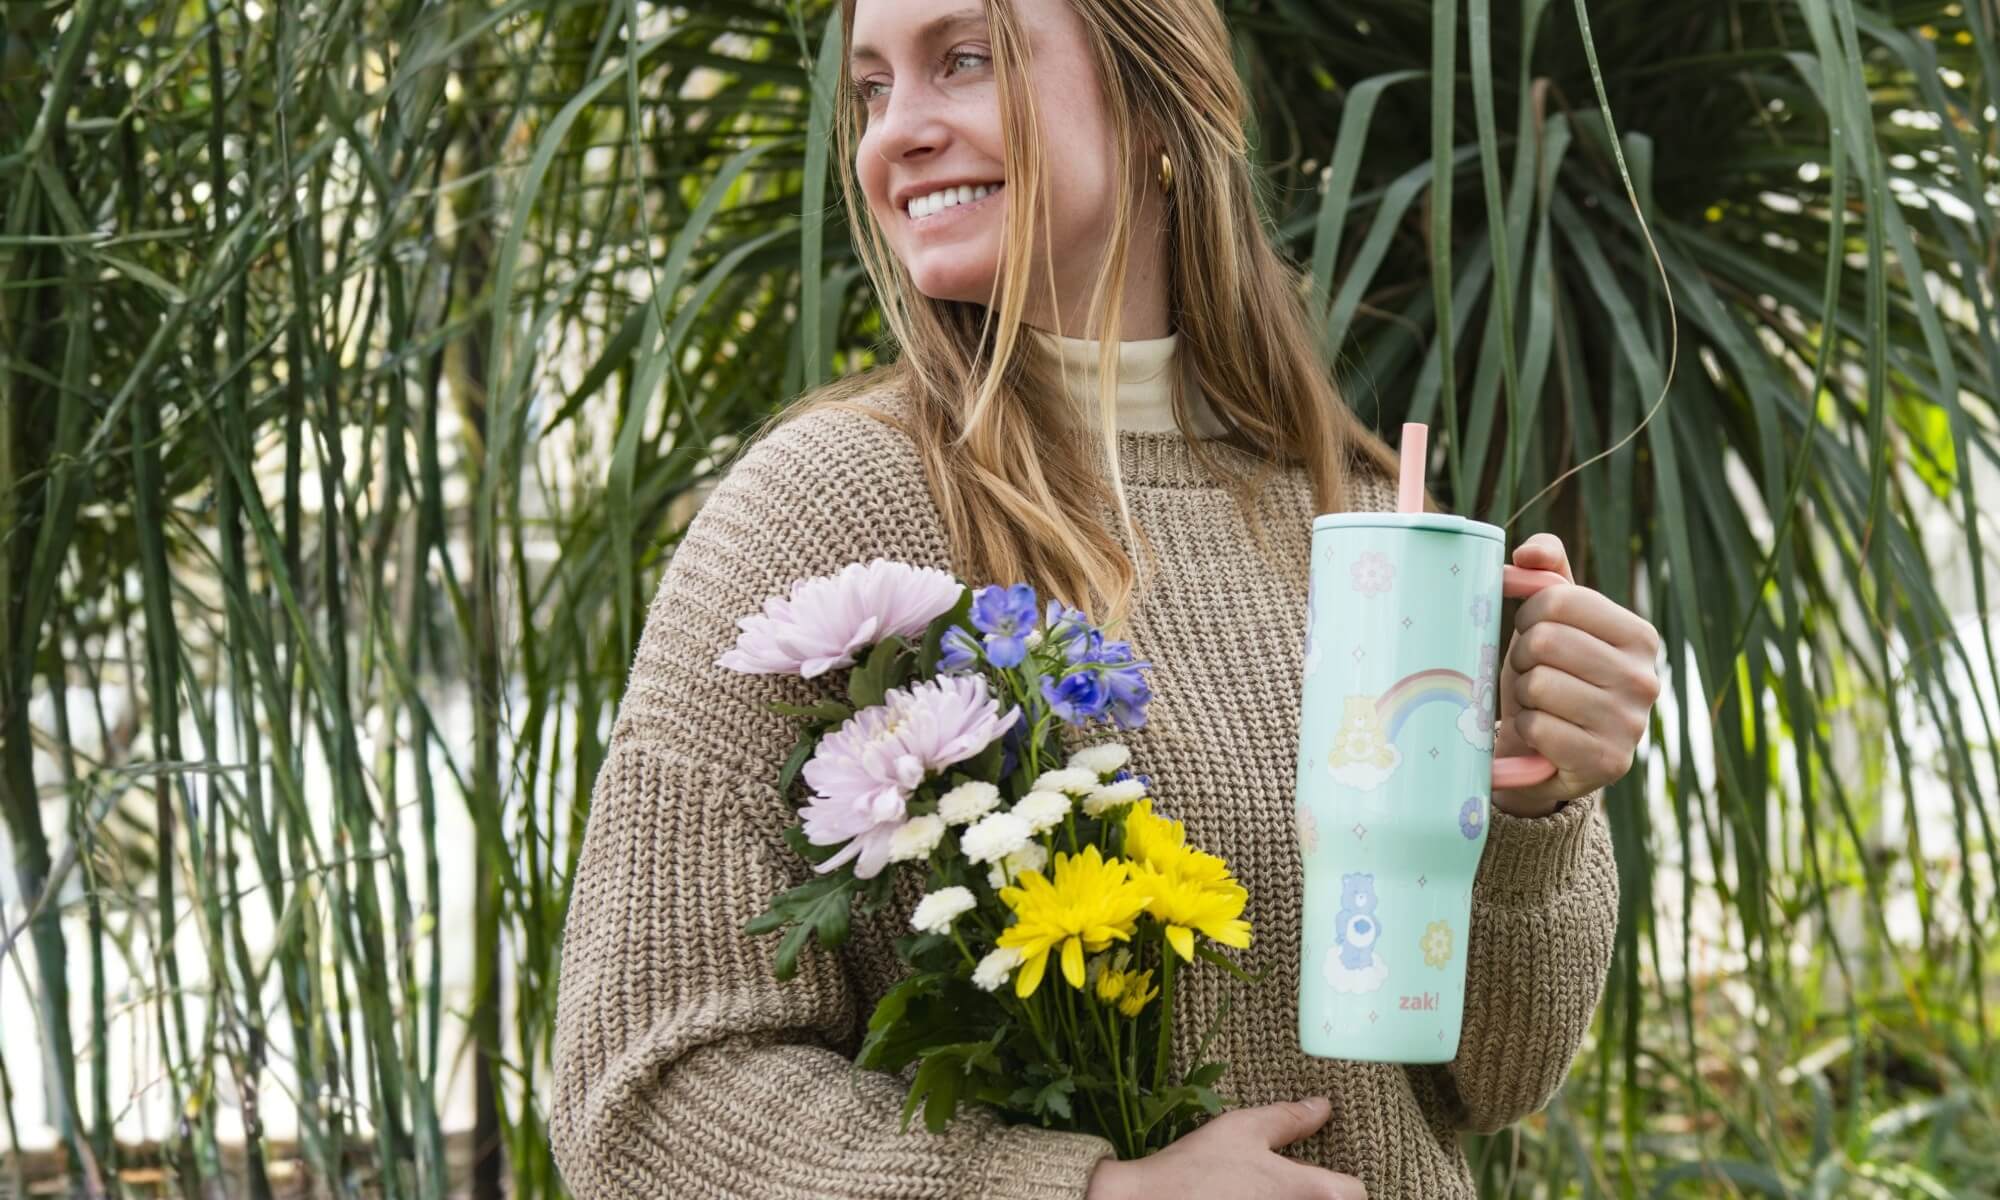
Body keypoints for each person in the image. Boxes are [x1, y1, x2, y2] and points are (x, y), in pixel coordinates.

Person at [548, 0, 1663, 1195]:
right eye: (872, 88)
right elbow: (643, 1097)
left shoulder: (1352, 520)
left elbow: (1491, 1078)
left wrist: (1529, 804)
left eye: (963, 60)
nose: (894, 133)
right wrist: (1086, 1191)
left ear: (1154, 104)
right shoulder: (824, 510)